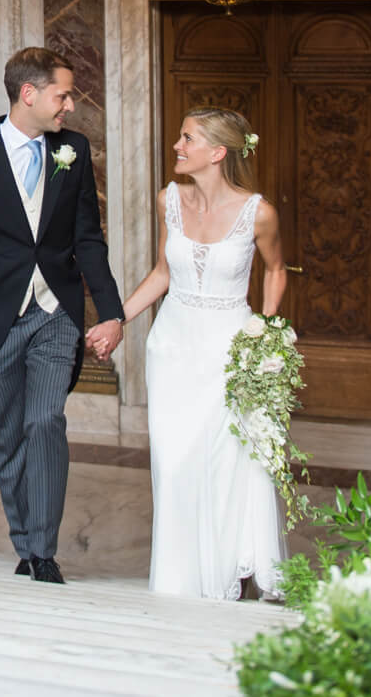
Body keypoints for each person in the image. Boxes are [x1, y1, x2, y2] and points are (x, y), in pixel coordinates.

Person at [0, 46, 125, 584]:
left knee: (45, 421)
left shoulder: (74, 150)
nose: (69, 105)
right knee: (5, 431)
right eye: (62, 94)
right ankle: (27, 539)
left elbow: (89, 240)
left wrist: (110, 313)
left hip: (56, 314)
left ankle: (41, 551)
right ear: (29, 94)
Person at [109, 106, 290, 601]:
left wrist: (268, 332)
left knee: (229, 462)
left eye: (187, 138)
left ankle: (231, 570)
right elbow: (163, 273)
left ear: (217, 152)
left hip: (229, 347)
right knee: (174, 461)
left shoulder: (260, 211)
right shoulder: (169, 199)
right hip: (171, 346)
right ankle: (179, 580)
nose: (177, 146)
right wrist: (116, 320)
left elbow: (276, 270)